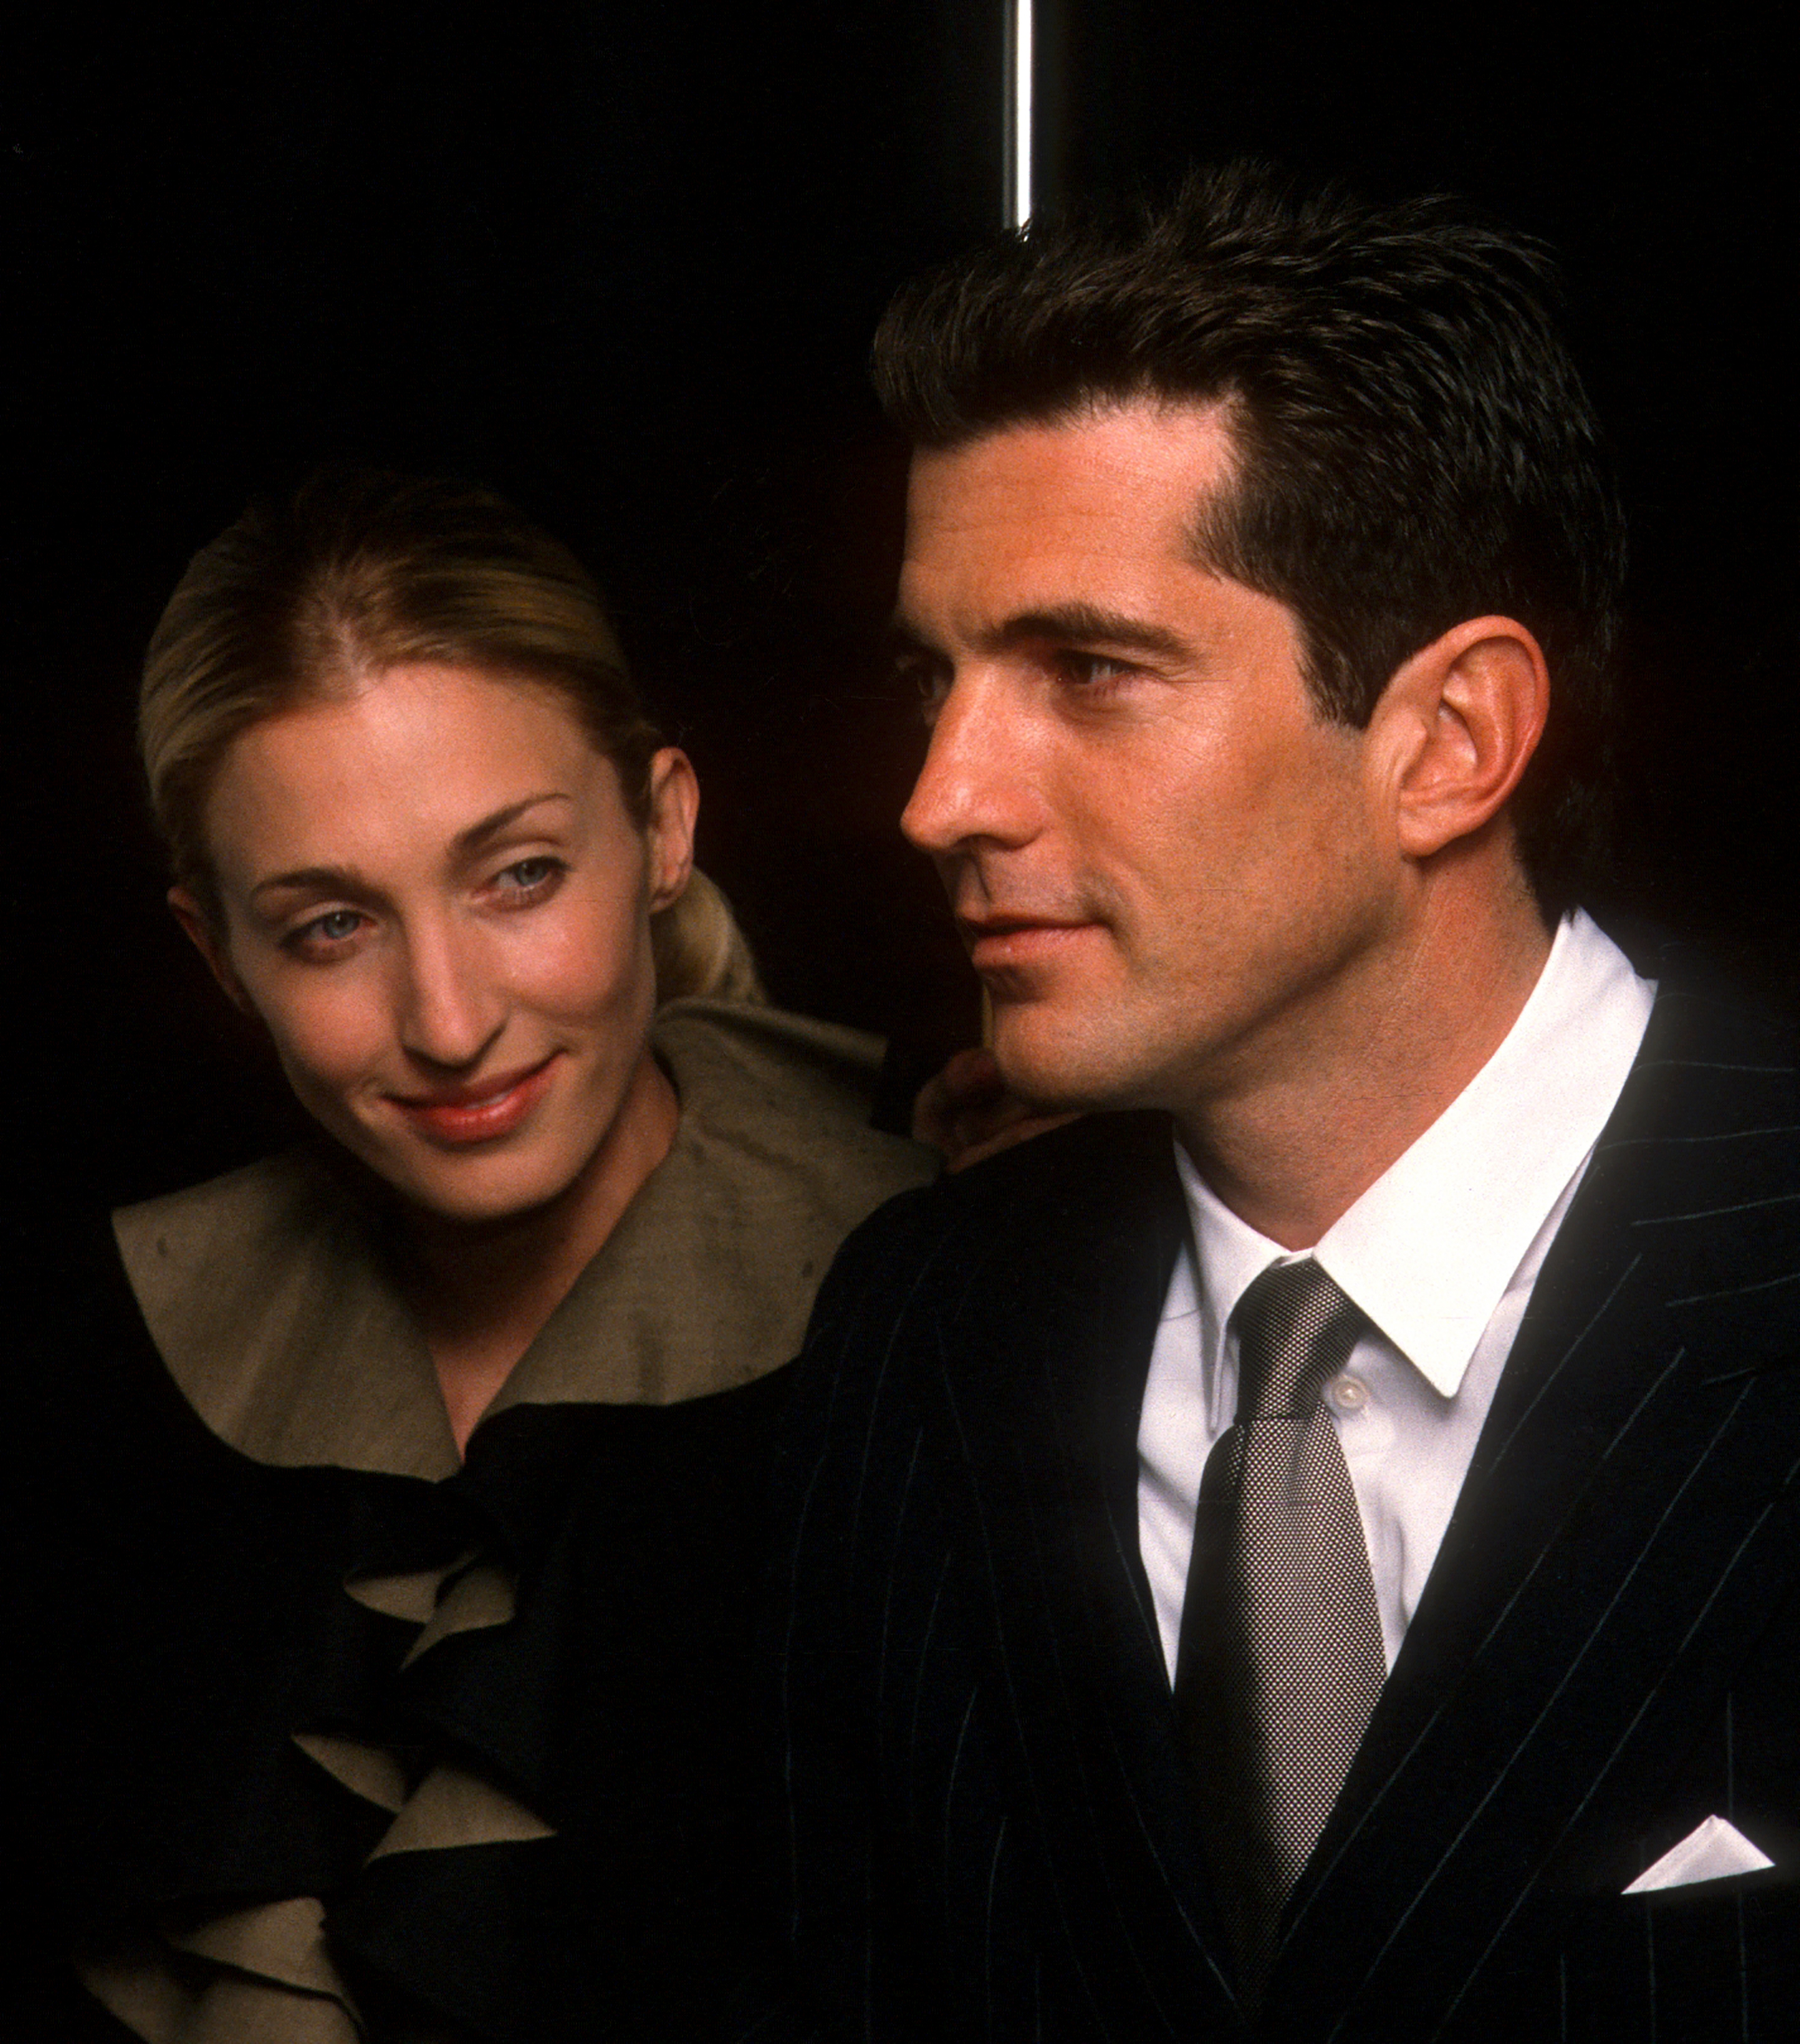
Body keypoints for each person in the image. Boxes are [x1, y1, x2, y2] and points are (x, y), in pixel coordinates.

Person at [763, 165, 1797, 2041]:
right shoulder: (915, 1333)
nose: (940, 798)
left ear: (1449, 742)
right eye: (937, 678)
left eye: (1087, 672)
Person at [21, 470, 935, 2043]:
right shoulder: (102, 1370)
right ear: (213, 952)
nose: (448, 1023)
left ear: (664, 827)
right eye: (329, 927)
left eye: (518, 875)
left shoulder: (927, 1297)